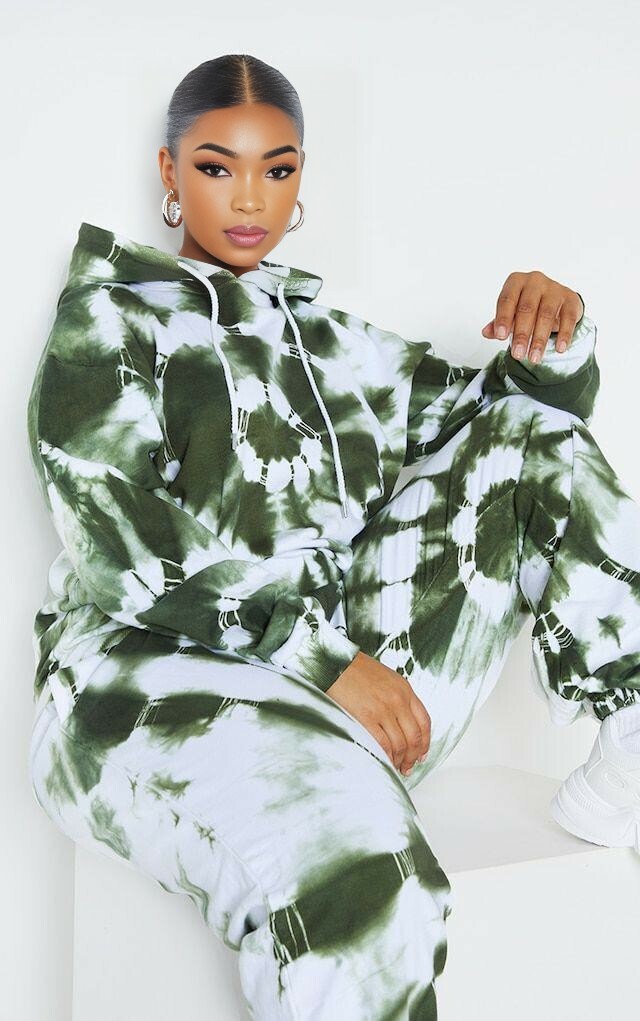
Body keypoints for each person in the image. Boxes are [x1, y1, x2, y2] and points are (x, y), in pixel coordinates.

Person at [26, 53, 640, 1020]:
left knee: (532, 432)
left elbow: (509, 429)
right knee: (369, 891)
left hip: (345, 685)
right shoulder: (109, 318)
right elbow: (122, 546)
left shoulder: (334, 348)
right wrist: (321, 659)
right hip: (144, 684)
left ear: (301, 178)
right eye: (217, 165)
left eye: (276, 169)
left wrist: (551, 338)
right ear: (169, 171)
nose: (249, 198)